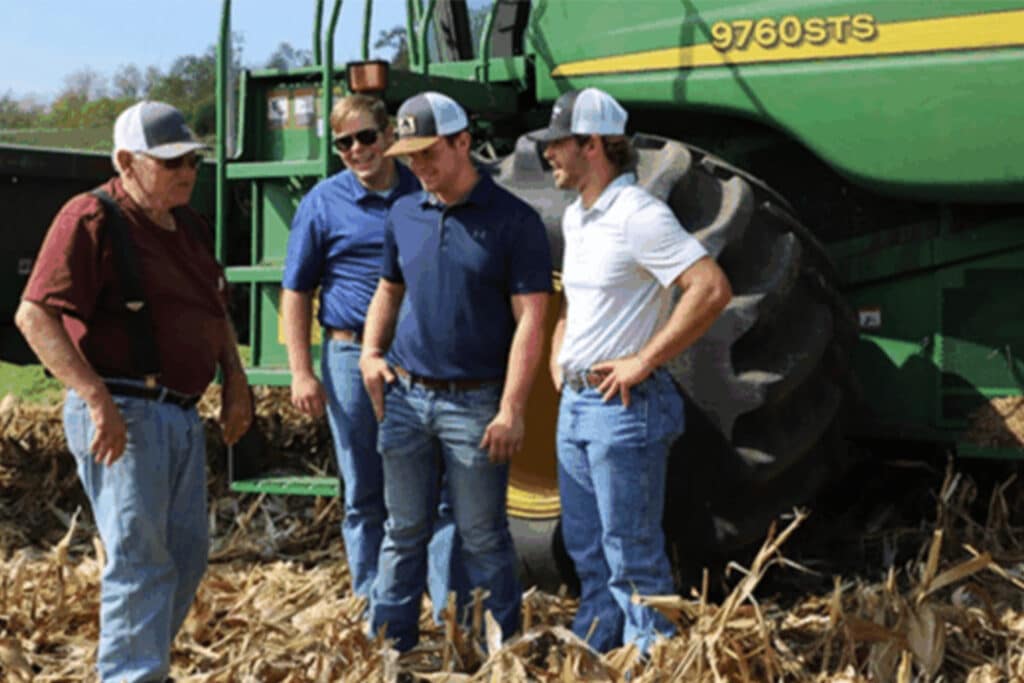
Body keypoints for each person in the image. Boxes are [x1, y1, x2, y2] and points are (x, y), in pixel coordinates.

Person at [15, 100, 252, 683]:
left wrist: (236, 381)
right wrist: (97, 401)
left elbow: (214, 309)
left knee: (187, 558)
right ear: (125, 161)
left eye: (192, 160)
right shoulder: (91, 218)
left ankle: (142, 667)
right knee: (140, 561)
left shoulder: (189, 226)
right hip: (124, 410)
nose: (187, 172)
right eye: (170, 162)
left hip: (178, 414)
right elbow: (34, 317)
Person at [530, 88, 732, 654]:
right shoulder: (578, 217)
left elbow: (709, 287)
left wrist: (645, 359)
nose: (549, 155)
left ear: (593, 145)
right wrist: (559, 351)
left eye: (558, 144)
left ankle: (652, 656)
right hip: (578, 404)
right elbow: (579, 299)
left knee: (632, 555)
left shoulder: (638, 215)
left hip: (622, 409)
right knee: (588, 548)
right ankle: (596, 651)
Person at [359, 91, 552, 651]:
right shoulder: (403, 212)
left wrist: (512, 408)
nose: (417, 166)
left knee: (483, 536)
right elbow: (389, 290)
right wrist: (372, 353)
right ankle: (389, 646)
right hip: (406, 396)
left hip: (476, 404)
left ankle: (501, 649)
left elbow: (532, 321)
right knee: (403, 532)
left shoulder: (514, 222)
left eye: (429, 153)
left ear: (464, 142)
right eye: (410, 155)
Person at [280, 94, 462, 619]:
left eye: (365, 137)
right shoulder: (322, 203)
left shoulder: (423, 189)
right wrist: (301, 372)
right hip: (348, 355)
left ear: (388, 136)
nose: (356, 150)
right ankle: (373, 606)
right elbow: (297, 292)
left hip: (420, 361)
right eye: (344, 143)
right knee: (364, 489)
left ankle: (444, 608)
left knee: (439, 487)